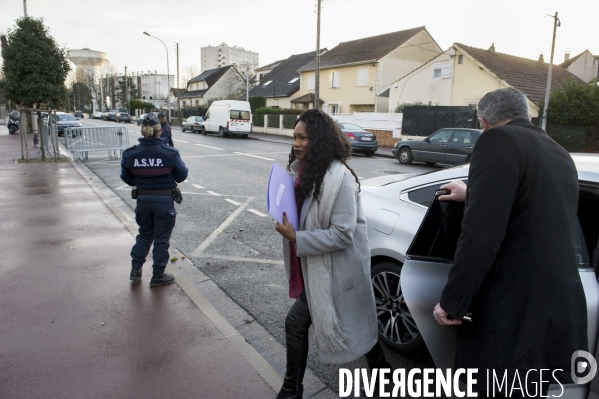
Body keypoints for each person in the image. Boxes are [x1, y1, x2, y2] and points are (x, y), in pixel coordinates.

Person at [433, 88, 588, 397]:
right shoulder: (558, 150)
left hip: (515, 312)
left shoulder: (496, 141)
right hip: (559, 305)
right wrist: (472, 192)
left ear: (483, 123)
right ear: (527, 116)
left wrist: (453, 301)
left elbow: (481, 234)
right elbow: (534, 205)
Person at [274, 109, 389, 399]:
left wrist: (296, 237)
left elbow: (342, 234)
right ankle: (293, 390)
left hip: (339, 270)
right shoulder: (304, 173)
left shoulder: (340, 179)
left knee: (351, 322)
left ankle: (291, 391)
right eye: (295, 138)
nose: (296, 143)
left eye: (303, 138)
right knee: (349, 321)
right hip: (318, 269)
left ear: (320, 140)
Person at [120, 112, 188, 287]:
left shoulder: (130, 154)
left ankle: (135, 271)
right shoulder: (170, 153)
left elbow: (126, 177)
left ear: (143, 131)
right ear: (160, 132)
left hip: (142, 200)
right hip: (164, 201)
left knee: (144, 235)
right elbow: (181, 175)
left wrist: (141, 182)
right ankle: (158, 275)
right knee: (161, 239)